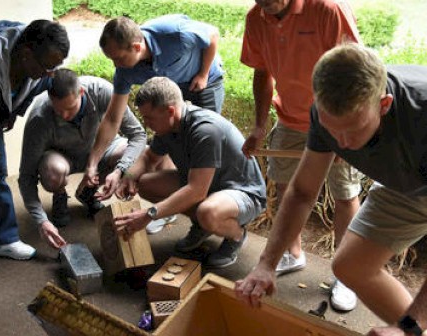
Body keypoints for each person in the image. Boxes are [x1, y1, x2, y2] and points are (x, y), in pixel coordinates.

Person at [235, 43, 427, 335]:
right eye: (331, 129)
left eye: (354, 129)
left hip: (418, 166)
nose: (343, 143)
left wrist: (410, 327)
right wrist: (265, 264)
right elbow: (302, 192)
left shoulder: (421, 118)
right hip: (406, 180)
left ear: (384, 104)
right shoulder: (326, 109)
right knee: (351, 266)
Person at [240, 0, 361, 311]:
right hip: (291, 118)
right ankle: (293, 254)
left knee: (344, 195)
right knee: (286, 187)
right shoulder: (256, 18)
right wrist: (258, 126)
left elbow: (355, 70)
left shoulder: (327, 9)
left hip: (335, 118)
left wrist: (347, 130)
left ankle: (347, 275)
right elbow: (262, 73)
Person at [113, 77, 266, 268]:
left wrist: (148, 215)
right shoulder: (167, 126)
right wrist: (128, 177)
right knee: (145, 184)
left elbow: (196, 191)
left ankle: (236, 235)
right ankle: (202, 225)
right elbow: (149, 158)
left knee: (208, 212)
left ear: (170, 111)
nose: (146, 123)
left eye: (149, 118)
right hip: (207, 186)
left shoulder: (205, 131)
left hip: (243, 193)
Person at [81, 14, 225, 199]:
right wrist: (92, 163)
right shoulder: (125, 72)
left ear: (137, 47)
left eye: (119, 58)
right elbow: (112, 118)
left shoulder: (173, 34)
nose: (116, 65)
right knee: (172, 143)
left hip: (204, 81)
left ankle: (210, 201)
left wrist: (203, 74)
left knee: (205, 144)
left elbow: (212, 35)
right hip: (170, 90)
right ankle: (176, 201)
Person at [0, 20, 69, 281]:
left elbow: (29, 92)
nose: (52, 74)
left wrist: (13, 114)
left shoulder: (38, 69)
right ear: (26, 55)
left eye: (57, 66)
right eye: (48, 66)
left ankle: (1, 239)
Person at [18, 69, 147, 249]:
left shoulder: (103, 92)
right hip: (62, 158)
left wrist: (121, 171)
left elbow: (138, 135)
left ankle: (88, 192)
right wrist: (41, 221)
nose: (64, 115)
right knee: (53, 171)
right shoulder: (40, 117)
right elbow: (26, 176)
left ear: (81, 92)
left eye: (70, 108)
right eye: (58, 110)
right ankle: (60, 194)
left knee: (137, 154)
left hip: (101, 148)